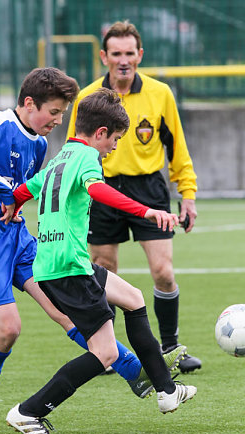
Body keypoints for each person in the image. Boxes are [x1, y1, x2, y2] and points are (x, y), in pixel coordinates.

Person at [0, 67, 181, 434]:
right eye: (53, 112)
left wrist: (19, 200)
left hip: (16, 234)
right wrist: (9, 190)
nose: (58, 121)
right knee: (9, 329)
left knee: (65, 312)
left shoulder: (40, 145)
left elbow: (32, 189)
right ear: (28, 103)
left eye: (62, 114)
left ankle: (138, 373)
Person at [6, 88, 197, 434]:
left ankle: (166, 391)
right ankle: (29, 412)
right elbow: (97, 191)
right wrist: (148, 211)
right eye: (115, 139)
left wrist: (13, 206)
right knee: (105, 353)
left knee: (133, 297)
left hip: (58, 263)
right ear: (100, 133)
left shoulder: (61, 156)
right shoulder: (88, 158)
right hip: (68, 268)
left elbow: (25, 190)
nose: (114, 147)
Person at [66, 20, 201, 374]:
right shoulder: (87, 98)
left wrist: (187, 195)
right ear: (103, 57)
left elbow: (178, 150)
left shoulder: (161, 94)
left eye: (129, 53)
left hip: (148, 190)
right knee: (104, 272)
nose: (123, 60)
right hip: (100, 189)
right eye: (116, 54)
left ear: (140, 55)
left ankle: (171, 346)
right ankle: (111, 353)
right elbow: (72, 151)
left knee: (163, 271)